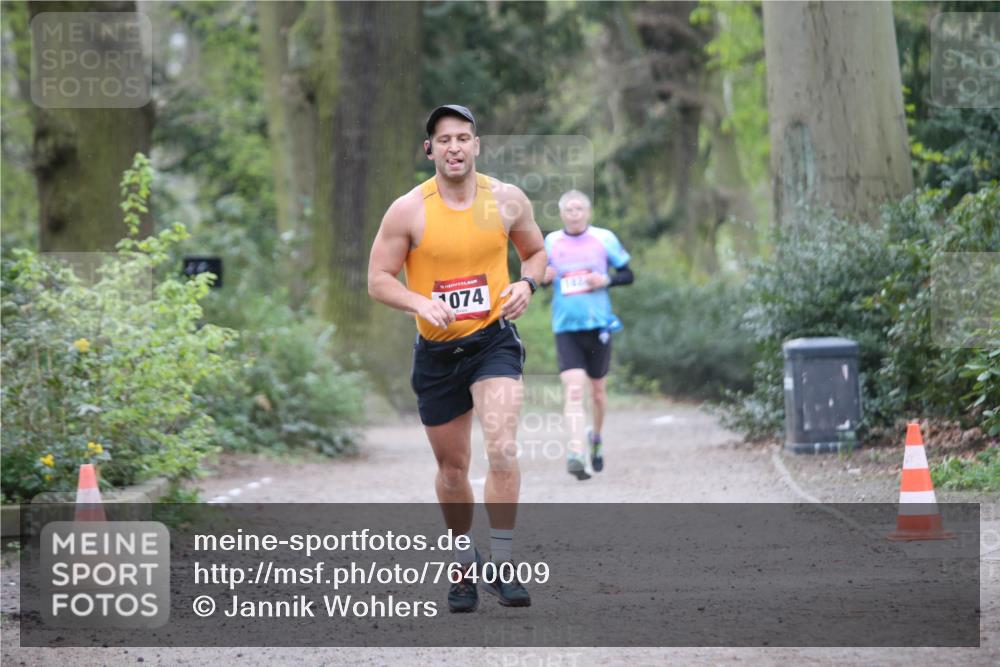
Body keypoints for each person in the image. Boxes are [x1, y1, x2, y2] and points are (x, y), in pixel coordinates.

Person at [367, 105, 546, 612]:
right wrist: (418, 302)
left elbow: (536, 254)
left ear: (477, 145)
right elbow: (378, 279)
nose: (454, 147)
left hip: (493, 342)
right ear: (430, 150)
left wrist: (526, 284)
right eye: (444, 139)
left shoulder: (506, 200)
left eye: (463, 138)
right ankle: (464, 566)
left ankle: (503, 563)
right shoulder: (408, 210)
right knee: (452, 470)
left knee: (503, 448)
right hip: (438, 354)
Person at [542, 190, 634, 480]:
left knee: (597, 393)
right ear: (561, 214)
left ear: (588, 212)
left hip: (598, 325)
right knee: (573, 390)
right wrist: (544, 278)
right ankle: (575, 453)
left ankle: (596, 437)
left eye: (579, 209)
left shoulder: (604, 238)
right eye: (569, 210)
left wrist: (605, 280)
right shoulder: (551, 242)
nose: (574, 214)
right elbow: (540, 277)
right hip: (565, 327)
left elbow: (628, 275)